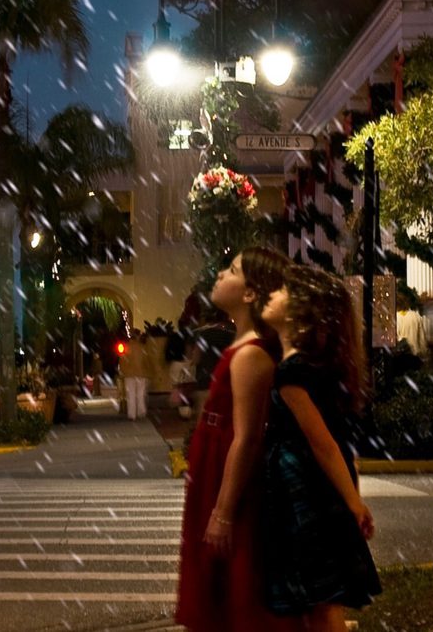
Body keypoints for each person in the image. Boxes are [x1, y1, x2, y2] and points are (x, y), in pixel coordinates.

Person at [175, 247, 302, 632]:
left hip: (227, 484)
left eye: (231, 270)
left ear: (250, 293)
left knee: (235, 597)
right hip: (213, 475)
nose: (218, 275)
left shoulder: (250, 355)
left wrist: (223, 512)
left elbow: (246, 438)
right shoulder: (239, 346)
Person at [258, 265, 382, 631]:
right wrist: (350, 496)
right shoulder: (319, 368)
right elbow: (339, 445)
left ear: (302, 310)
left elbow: (323, 443)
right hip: (320, 488)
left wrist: (354, 501)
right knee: (323, 600)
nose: (273, 295)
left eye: (282, 292)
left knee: (320, 600)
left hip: (305, 492)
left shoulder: (292, 374)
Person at [120, 332, 150, 420]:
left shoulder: (126, 348)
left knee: (131, 394)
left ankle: (131, 414)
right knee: (140, 393)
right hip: (141, 373)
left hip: (129, 374)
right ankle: (141, 412)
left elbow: (122, 362)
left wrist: (123, 372)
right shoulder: (143, 348)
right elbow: (147, 361)